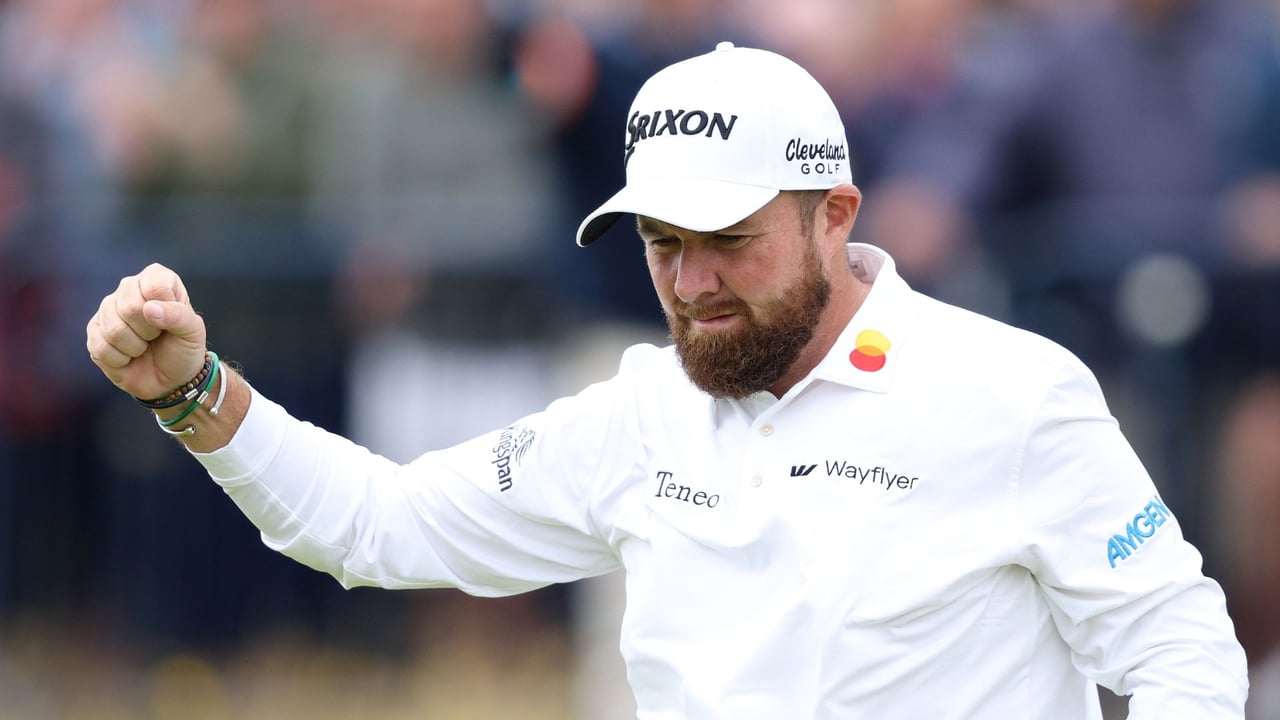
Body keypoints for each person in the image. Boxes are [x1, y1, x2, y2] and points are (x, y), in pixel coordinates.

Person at [85, 42, 1248, 718]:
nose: (689, 281)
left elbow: (1178, 651)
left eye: (724, 237)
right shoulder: (639, 413)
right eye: (656, 241)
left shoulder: (1009, 390)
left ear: (832, 213)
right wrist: (196, 393)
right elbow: (376, 525)